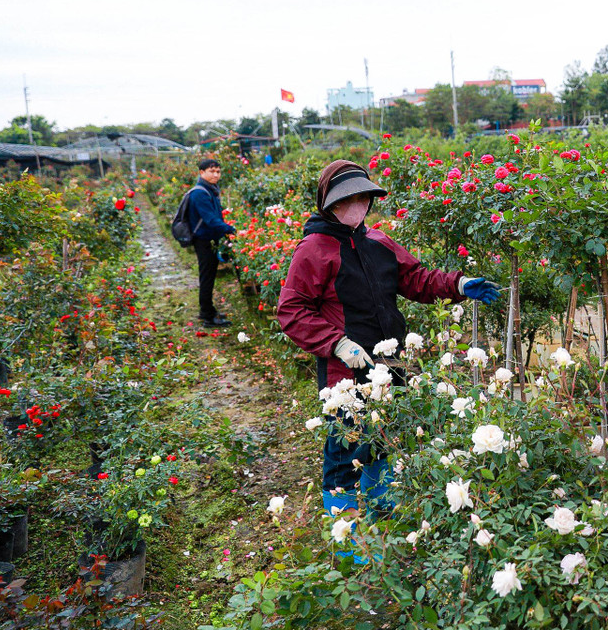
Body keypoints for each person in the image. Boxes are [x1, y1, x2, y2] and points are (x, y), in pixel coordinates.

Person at [276, 160, 500, 516]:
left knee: (383, 440)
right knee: (345, 449)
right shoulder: (314, 249)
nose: (357, 206)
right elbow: (292, 310)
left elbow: (416, 279)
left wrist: (458, 285)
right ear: (329, 204)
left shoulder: (378, 241)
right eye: (347, 200)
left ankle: (380, 517)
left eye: (363, 198)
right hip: (345, 374)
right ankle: (348, 540)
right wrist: (336, 342)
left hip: (390, 364)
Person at [189, 158, 236, 328]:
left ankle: (208, 310)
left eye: (218, 171)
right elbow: (210, 219)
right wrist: (230, 229)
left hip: (210, 239)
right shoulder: (200, 193)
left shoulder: (210, 190)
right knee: (207, 277)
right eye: (212, 171)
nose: (216, 174)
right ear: (202, 173)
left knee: (209, 276)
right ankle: (207, 316)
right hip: (204, 240)